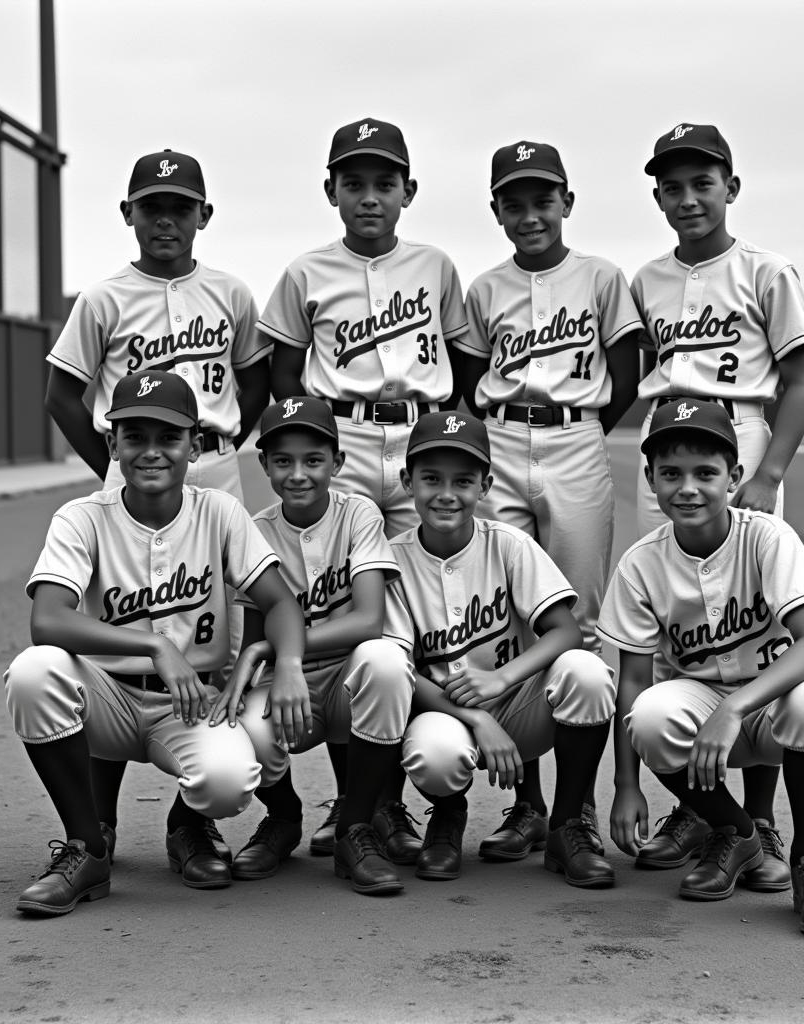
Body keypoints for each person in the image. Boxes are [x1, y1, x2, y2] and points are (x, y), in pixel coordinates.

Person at [4, 370, 307, 915]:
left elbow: (281, 601)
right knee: (34, 671)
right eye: (135, 437)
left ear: (195, 446)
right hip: (105, 699)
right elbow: (47, 619)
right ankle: (87, 847)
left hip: (188, 707)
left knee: (229, 781)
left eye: (168, 438)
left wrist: (284, 661)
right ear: (112, 445)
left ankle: (188, 824)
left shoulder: (218, 511)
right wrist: (155, 647)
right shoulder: (82, 517)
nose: (151, 452)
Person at [43, 148, 272, 862]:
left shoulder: (232, 293)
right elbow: (62, 395)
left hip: (213, 470)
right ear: (128, 215)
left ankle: (190, 815)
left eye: (180, 207)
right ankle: (98, 823)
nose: (165, 219)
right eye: (152, 206)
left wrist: (215, 446)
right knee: (123, 632)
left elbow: (254, 382)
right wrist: (116, 468)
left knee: (214, 640)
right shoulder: (104, 297)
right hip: (133, 472)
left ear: (203, 215)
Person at [256, 117, 468, 855]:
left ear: (408, 190)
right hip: (338, 440)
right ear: (331, 191)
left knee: (417, 611)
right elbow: (284, 373)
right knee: (350, 604)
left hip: (415, 434)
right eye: (354, 183)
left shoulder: (436, 266)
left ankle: (396, 798)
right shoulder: (305, 272)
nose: (370, 196)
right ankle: (362, 804)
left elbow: (464, 367)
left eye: (384, 183)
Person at [629, 124, 804, 883]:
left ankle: (764, 821)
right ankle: (706, 812)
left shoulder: (767, 270)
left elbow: (802, 379)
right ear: (657, 198)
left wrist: (770, 473)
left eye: (702, 183)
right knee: (681, 624)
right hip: (670, 443)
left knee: (755, 624)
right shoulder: (646, 279)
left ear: (731, 188)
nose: (687, 199)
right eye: (672, 187)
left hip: (738, 443)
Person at [601, 398, 804, 936]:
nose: (687, 488)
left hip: (769, 713)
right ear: (650, 479)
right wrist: (627, 784)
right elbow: (631, 682)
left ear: (734, 476)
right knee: (650, 714)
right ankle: (736, 831)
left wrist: (736, 706)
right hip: (702, 720)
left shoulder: (767, 537)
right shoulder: (640, 564)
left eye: (705, 473)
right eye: (670, 473)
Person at [456, 140, 641, 857]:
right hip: (499, 440)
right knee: (508, 616)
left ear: (567, 201)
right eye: (515, 202)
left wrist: (584, 432)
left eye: (542, 199)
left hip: (576, 441)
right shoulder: (485, 287)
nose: (529, 214)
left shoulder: (600, 277)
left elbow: (624, 374)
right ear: (497, 210)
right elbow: (470, 379)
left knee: (576, 621)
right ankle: (528, 804)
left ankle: (576, 810)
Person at [384, 412, 617, 888]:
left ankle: (567, 826)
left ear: (485, 486)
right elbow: (399, 675)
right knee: (435, 753)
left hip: (519, 706)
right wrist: (478, 717)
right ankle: (447, 818)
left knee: (586, 673)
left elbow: (566, 632)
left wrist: (502, 681)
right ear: (407, 482)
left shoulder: (509, 544)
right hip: (443, 715)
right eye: (431, 479)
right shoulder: (392, 559)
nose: (447, 494)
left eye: (463, 481)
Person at [208, 397, 414, 896]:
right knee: (244, 726)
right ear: (264, 466)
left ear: (338, 463)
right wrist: (274, 660)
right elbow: (258, 631)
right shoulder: (256, 529)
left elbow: (368, 620)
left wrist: (281, 654)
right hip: (290, 682)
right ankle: (283, 817)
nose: (298, 474)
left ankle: (356, 825)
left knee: (386, 662)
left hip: (349, 676)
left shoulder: (358, 512)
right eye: (283, 461)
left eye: (313, 460)